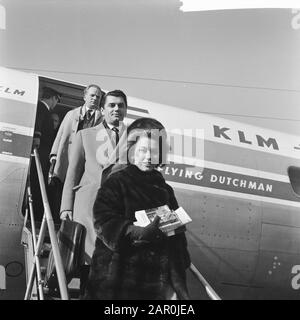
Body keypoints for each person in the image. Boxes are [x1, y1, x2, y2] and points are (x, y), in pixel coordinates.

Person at [84, 117, 191, 300]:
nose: (148, 157)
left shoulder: (165, 190)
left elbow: (176, 241)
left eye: (155, 151)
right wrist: (136, 232)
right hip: (117, 281)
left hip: (154, 284)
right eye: (143, 150)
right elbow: (104, 222)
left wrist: (177, 278)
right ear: (131, 152)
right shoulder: (117, 182)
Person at [60, 89, 128, 295]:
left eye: (121, 105)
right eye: (111, 105)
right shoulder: (85, 135)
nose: (116, 109)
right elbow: (72, 174)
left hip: (119, 213)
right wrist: (66, 207)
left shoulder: (136, 139)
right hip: (88, 208)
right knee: (90, 272)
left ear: (126, 109)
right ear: (103, 109)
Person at [48, 84, 103, 221]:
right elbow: (61, 135)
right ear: (85, 96)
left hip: (85, 163)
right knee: (61, 188)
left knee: (79, 191)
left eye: (98, 96)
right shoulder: (71, 114)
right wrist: (54, 155)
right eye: (92, 95)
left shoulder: (102, 120)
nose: (95, 98)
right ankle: (57, 220)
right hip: (67, 158)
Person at [30, 86, 61, 221]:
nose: (56, 104)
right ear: (53, 98)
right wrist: (37, 136)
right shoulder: (42, 108)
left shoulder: (43, 109)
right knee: (38, 182)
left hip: (44, 152)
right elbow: (38, 123)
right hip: (41, 151)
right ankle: (37, 215)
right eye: (57, 100)